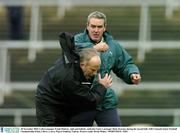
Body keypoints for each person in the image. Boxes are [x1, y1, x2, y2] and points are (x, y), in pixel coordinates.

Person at [71, 11, 141, 126]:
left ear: (104, 28)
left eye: (99, 27)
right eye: (93, 26)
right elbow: (70, 55)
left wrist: (132, 73)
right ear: (87, 26)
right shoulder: (76, 40)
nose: (96, 30)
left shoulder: (113, 45)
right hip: (81, 100)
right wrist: (93, 48)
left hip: (105, 101)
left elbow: (125, 64)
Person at [35, 32, 113, 126]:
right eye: (92, 69)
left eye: (97, 70)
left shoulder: (76, 57)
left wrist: (94, 49)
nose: (95, 73)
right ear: (82, 64)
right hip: (49, 105)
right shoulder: (70, 78)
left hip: (61, 102)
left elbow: (78, 48)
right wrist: (102, 86)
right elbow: (90, 101)